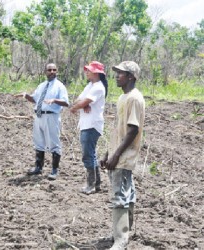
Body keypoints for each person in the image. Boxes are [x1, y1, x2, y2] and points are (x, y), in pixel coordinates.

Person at [100, 61, 145, 250]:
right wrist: (108, 152)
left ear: (131, 77)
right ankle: (124, 231)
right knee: (128, 193)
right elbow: (119, 130)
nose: (117, 76)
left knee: (120, 195)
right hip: (119, 153)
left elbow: (133, 130)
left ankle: (121, 239)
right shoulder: (123, 98)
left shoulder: (134, 98)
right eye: (117, 73)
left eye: (121, 73)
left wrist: (116, 155)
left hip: (124, 156)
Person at [15, 63, 69, 180]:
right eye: (49, 70)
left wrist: (54, 100)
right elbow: (35, 99)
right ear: (45, 71)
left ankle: (54, 170)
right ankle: (38, 167)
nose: (52, 72)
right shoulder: (41, 85)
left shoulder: (60, 86)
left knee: (54, 143)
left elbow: (66, 102)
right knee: (39, 142)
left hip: (51, 116)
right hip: (39, 116)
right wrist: (25, 95)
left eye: (54, 70)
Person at [70, 61, 108, 195]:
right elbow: (80, 99)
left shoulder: (98, 87)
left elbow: (83, 101)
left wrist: (78, 106)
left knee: (88, 155)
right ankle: (96, 184)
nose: (86, 72)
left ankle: (91, 185)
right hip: (86, 123)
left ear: (97, 73)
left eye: (89, 70)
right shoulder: (90, 86)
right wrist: (82, 104)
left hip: (92, 125)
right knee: (91, 154)